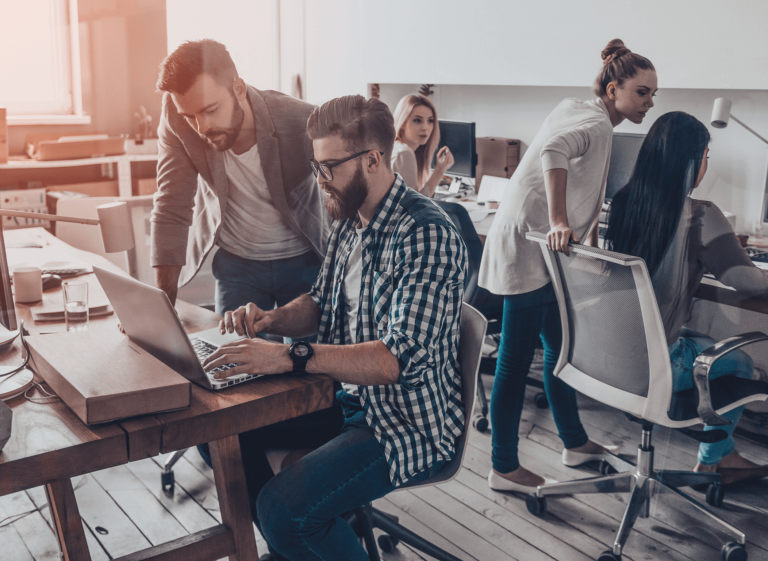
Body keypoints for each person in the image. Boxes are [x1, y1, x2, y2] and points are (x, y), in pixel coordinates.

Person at [202, 95, 468, 560]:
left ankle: (295, 537)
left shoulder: (426, 233)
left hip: (405, 423)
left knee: (284, 511)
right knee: (218, 435)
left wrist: (287, 355)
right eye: (316, 166)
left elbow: (395, 360)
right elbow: (322, 302)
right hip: (343, 398)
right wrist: (271, 319)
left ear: (373, 160)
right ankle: (299, 545)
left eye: (328, 167)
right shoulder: (349, 217)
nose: (319, 179)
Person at [478, 39, 658, 493]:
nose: (649, 103)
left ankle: (574, 443)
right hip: (529, 246)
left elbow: (584, 183)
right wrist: (560, 221)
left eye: (653, 94)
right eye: (642, 93)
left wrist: (588, 234)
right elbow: (554, 153)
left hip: (541, 249)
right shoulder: (595, 122)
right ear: (614, 89)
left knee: (562, 353)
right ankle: (503, 467)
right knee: (515, 362)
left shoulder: (583, 111)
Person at [605, 111, 768, 485]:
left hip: (611, 356)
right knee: (743, 364)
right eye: (706, 157)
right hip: (659, 363)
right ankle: (714, 461)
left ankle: (721, 457)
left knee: (702, 340)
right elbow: (747, 282)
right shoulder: (700, 214)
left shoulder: (623, 202)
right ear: (693, 161)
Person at [152, 39, 330, 316]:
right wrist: (160, 308)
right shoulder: (175, 116)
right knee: (233, 345)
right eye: (190, 116)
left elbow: (346, 196)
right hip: (237, 264)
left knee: (307, 344)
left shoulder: (303, 120)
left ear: (238, 89)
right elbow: (171, 205)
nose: (202, 128)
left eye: (211, 110)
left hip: (303, 259)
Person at [391, 94, 454, 197]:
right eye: (417, 120)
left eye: (430, 121)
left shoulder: (395, 147)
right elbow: (413, 204)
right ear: (402, 123)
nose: (425, 127)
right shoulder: (404, 153)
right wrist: (439, 170)